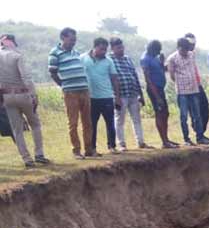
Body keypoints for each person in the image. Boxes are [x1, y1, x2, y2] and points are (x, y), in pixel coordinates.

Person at [0, 34, 48, 168]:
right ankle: (39, 154)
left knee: (17, 130)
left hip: (7, 97)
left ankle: (27, 159)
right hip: (23, 94)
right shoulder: (17, 56)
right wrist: (34, 95)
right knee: (35, 124)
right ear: (11, 43)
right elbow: (26, 77)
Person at [49, 27, 93, 159]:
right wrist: (64, 85)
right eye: (71, 39)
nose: (73, 42)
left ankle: (89, 150)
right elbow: (53, 72)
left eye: (75, 40)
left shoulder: (76, 52)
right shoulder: (55, 53)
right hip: (70, 92)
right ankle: (76, 151)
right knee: (73, 122)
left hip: (84, 90)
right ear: (63, 38)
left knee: (87, 122)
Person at [167, 37, 209, 145]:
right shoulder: (172, 58)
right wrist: (181, 81)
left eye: (187, 49)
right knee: (184, 116)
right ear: (178, 48)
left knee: (197, 115)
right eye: (184, 50)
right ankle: (186, 139)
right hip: (182, 92)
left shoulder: (191, 54)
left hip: (194, 90)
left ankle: (200, 137)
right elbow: (172, 75)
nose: (186, 52)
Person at [82, 37, 121, 155]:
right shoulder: (82, 58)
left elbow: (114, 79)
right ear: (94, 47)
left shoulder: (109, 61)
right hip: (91, 97)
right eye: (101, 49)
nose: (103, 51)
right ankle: (92, 148)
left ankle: (112, 147)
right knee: (92, 124)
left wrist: (117, 97)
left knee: (110, 123)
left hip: (107, 96)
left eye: (105, 49)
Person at [108, 37, 147, 151]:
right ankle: (121, 144)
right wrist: (116, 96)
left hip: (133, 93)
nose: (121, 49)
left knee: (137, 119)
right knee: (120, 120)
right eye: (118, 47)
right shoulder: (110, 60)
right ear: (113, 48)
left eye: (122, 47)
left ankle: (141, 142)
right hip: (120, 95)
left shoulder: (127, 59)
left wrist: (141, 94)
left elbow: (134, 75)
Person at [141, 40, 177, 149]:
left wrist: (162, 62)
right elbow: (148, 79)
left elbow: (161, 69)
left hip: (160, 89)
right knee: (160, 113)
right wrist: (157, 96)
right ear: (153, 49)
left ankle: (166, 139)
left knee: (165, 113)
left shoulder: (154, 57)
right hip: (154, 89)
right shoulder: (145, 59)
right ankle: (164, 141)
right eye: (157, 51)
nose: (158, 52)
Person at [183, 34, 209, 136]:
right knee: (195, 112)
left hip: (198, 85)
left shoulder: (192, 55)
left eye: (194, 44)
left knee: (204, 109)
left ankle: (201, 132)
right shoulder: (179, 56)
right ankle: (199, 133)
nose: (193, 46)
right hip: (189, 88)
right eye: (191, 44)